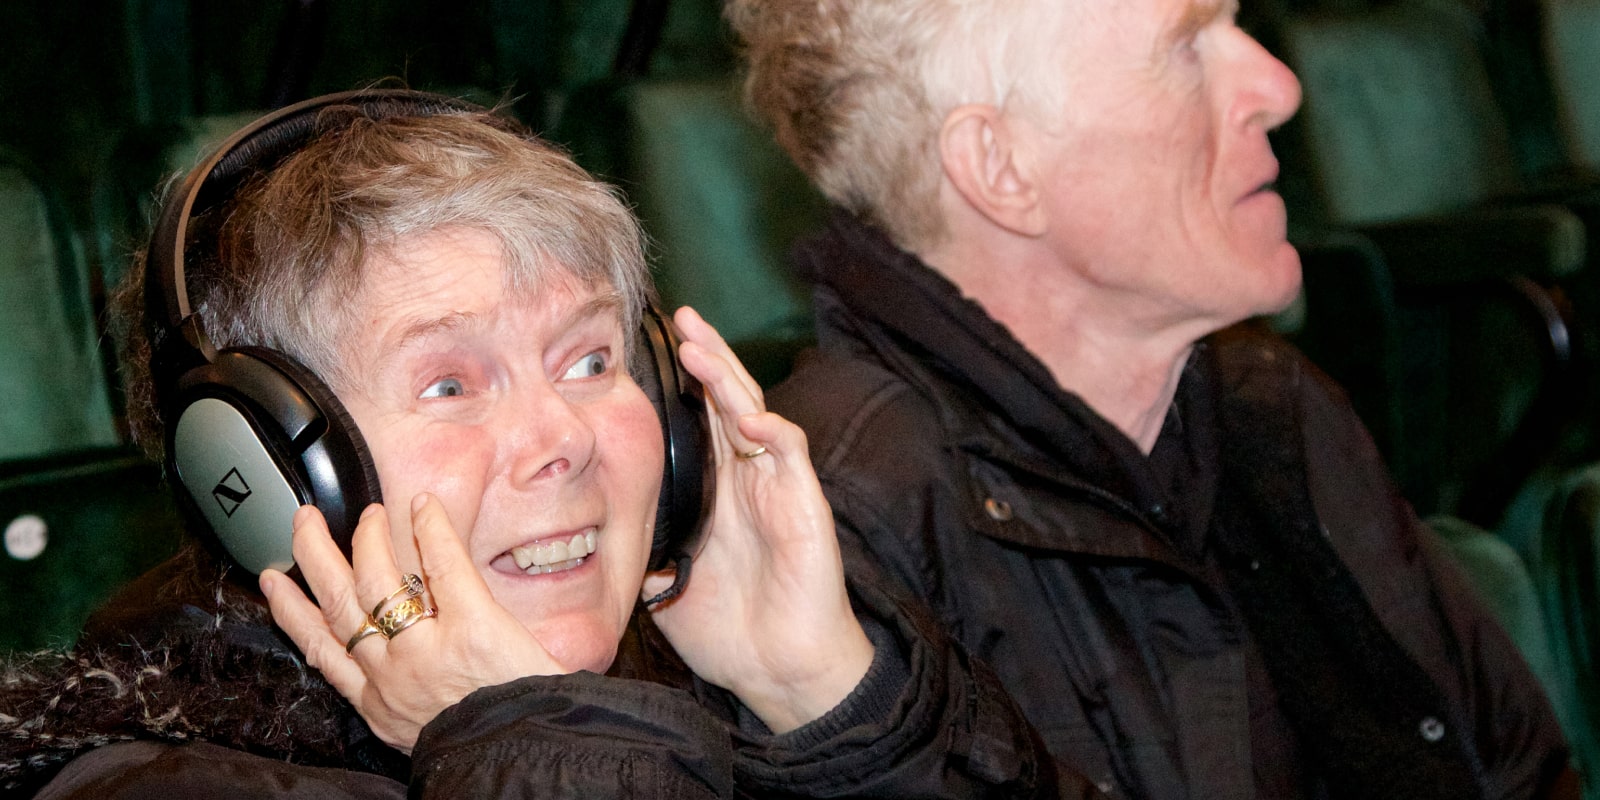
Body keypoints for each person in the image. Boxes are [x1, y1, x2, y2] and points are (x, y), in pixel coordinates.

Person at [0, 90, 1096, 798]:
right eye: (449, 381)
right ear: (268, 472)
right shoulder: (147, 784)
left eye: (588, 360)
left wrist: (831, 700)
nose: (560, 440)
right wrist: (532, 742)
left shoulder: (704, 711)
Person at [726, 1, 1580, 798]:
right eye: (1184, 47)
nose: (1277, 88)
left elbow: (1520, 770)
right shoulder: (837, 536)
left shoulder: (1269, 403)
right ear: (1001, 167)